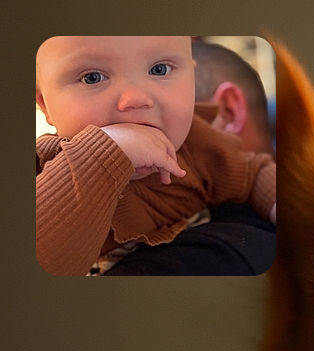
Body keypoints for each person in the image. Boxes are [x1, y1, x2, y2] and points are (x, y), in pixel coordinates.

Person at [35, 36, 276, 276]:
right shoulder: (44, 166)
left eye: (159, 69)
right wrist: (101, 157)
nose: (136, 99)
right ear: (45, 105)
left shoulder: (197, 143)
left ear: (191, 79)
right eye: (92, 77)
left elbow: (253, 174)